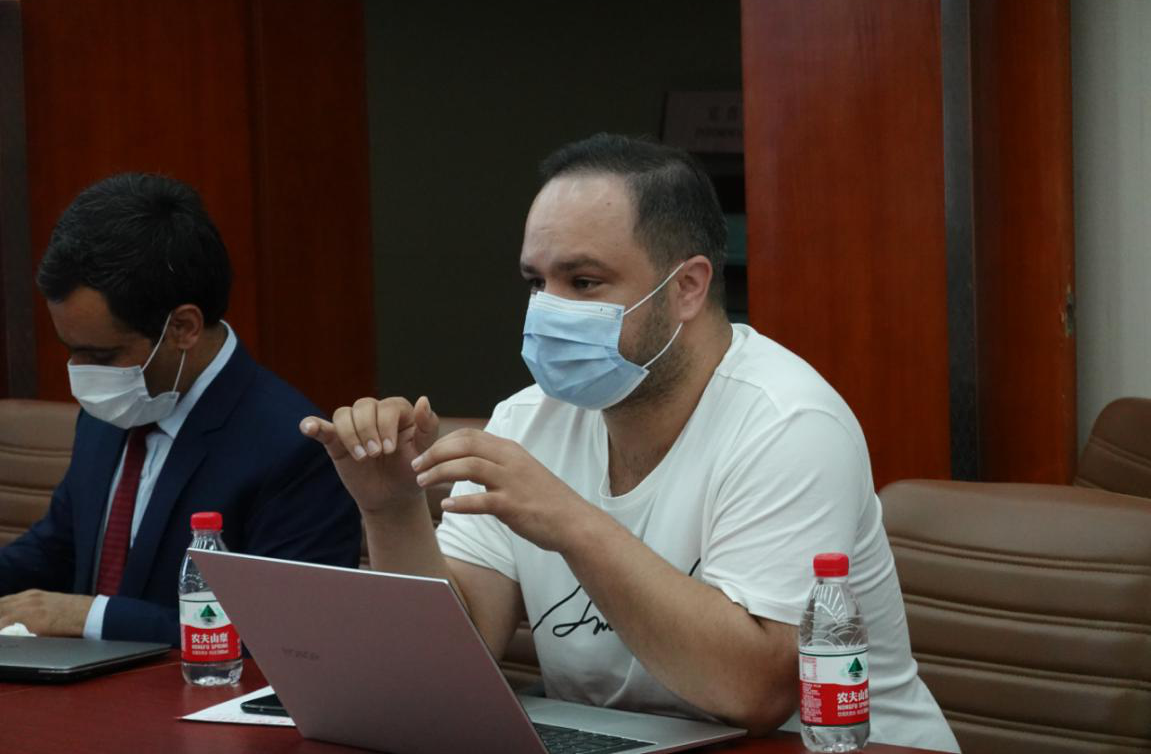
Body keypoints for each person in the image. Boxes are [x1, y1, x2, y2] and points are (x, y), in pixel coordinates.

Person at [302, 134, 960, 751]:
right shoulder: (526, 420)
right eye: (536, 282)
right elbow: (444, 673)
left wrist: (569, 521)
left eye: (583, 282)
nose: (549, 309)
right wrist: (392, 510)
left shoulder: (788, 423)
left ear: (687, 287)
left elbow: (755, 693)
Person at [0, 173, 362, 645]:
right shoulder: (111, 409)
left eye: (102, 355)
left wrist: (93, 617)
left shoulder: (296, 448)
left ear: (184, 327)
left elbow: (291, 636)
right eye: (70, 350)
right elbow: (58, 547)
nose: (81, 373)